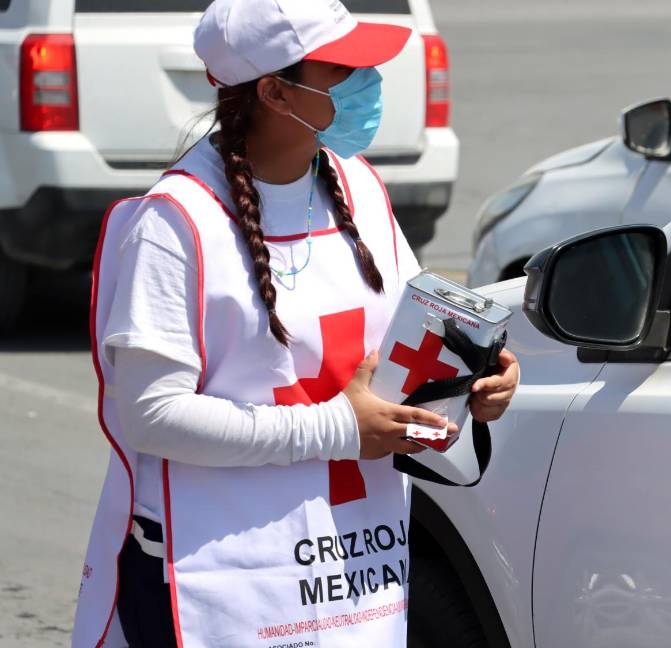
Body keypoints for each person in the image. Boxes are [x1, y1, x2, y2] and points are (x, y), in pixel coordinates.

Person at [71, 1, 519, 646]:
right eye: (343, 69)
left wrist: (473, 383)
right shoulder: (173, 223)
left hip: (350, 577)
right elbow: (150, 414)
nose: (371, 81)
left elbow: (411, 343)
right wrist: (336, 429)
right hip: (217, 584)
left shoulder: (359, 187)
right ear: (275, 92)